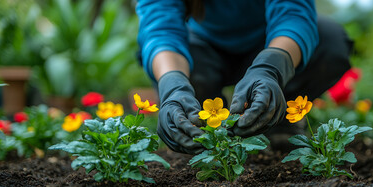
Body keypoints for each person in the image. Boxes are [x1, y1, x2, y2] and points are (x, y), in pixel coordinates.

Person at [136, 0, 353, 154]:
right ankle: (200, 126)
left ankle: (277, 117)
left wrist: (271, 69)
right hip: (201, 50)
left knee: (329, 42)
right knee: (183, 74)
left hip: (269, 42)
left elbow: (293, 14)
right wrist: (173, 86)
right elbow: (160, 28)